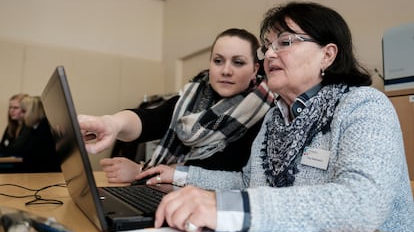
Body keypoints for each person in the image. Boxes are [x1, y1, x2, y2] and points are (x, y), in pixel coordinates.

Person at [135, 1, 414, 232]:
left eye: (285, 42)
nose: (269, 54)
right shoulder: (274, 118)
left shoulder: (364, 105)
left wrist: (231, 207)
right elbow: (248, 183)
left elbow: (362, 202)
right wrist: (179, 178)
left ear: (327, 55)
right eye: (267, 46)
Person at [78, 28, 275, 183]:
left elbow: (246, 182)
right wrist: (112, 123)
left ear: (254, 69)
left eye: (238, 62)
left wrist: (142, 171)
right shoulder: (190, 100)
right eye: (218, 61)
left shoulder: (267, 114)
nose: (225, 70)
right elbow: (150, 119)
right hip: (173, 199)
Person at [1, 96, 60, 172]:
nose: (21, 115)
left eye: (24, 111)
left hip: (45, 173)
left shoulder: (44, 128)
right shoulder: (36, 127)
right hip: (37, 171)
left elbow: (23, 151)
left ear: (33, 112)